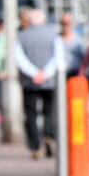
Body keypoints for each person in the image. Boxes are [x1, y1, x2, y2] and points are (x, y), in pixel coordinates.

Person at [14, 8, 63, 159]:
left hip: (30, 82)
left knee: (31, 114)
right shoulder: (53, 35)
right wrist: (45, 73)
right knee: (49, 111)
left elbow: (19, 58)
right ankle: (48, 134)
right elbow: (58, 57)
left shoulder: (22, 36)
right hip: (48, 82)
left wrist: (34, 73)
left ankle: (34, 146)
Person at [60, 13, 85, 78]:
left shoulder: (78, 40)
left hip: (74, 73)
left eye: (68, 23)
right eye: (64, 23)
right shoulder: (57, 39)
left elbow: (83, 59)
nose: (66, 26)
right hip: (60, 73)